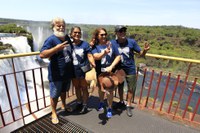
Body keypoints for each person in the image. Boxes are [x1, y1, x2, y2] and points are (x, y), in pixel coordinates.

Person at [39, 17, 73, 124]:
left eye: (63, 25)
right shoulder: (51, 39)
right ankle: (53, 113)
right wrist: (56, 49)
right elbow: (42, 54)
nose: (61, 27)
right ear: (53, 27)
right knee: (54, 94)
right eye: (58, 25)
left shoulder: (67, 37)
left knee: (64, 91)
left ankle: (64, 105)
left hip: (67, 73)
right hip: (56, 74)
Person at [111, 25, 150, 117]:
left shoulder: (131, 42)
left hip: (130, 69)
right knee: (120, 86)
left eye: (124, 31)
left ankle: (128, 105)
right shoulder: (113, 43)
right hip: (119, 69)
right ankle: (121, 101)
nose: (123, 32)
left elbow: (140, 54)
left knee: (131, 88)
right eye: (120, 31)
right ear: (116, 33)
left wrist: (144, 51)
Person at [90, 28, 121, 118]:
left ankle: (109, 107)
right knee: (101, 89)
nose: (104, 36)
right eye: (101, 35)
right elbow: (96, 57)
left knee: (110, 91)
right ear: (97, 36)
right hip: (100, 72)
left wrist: (111, 66)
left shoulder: (112, 44)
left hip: (110, 73)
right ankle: (101, 101)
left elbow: (118, 56)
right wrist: (104, 53)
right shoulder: (95, 47)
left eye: (105, 34)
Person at [70, 26, 96, 114]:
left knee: (84, 88)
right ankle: (79, 102)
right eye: (75, 32)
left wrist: (93, 63)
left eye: (79, 33)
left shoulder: (85, 44)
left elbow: (89, 55)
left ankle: (84, 105)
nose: (77, 34)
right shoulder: (69, 44)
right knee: (77, 87)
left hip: (82, 70)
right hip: (73, 70)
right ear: (71, 34)